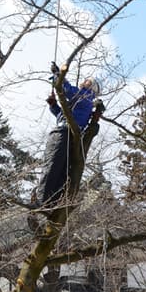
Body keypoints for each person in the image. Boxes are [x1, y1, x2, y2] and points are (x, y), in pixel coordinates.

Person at [34, 63, 100, 208]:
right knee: (60, 168)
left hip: (63, 133)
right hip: (69, 134)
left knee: (51, 165)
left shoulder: (86, 95)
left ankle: (42, 200)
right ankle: (53, 201)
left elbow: (68, 91)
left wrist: (58, 75)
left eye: (87, 80)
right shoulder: (83, 101)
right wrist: (53, 105)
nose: (84, 81)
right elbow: (63, 114)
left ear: (92, 86)